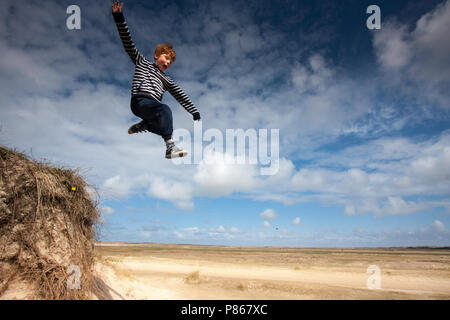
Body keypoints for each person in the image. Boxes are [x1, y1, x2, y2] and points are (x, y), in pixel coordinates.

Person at [111, 0, 201, 159]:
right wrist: (119, 18)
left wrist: (194, 112)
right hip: (139, 100)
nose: (167, 62)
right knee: (165, 110)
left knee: (164, 126)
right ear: (156, 56)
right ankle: (170, 147)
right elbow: (128, 43)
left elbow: (180, 95)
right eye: (166, 58)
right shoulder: (142, 62)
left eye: (170, 62)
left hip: (152, 108)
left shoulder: (167, 80)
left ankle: (144, 125)